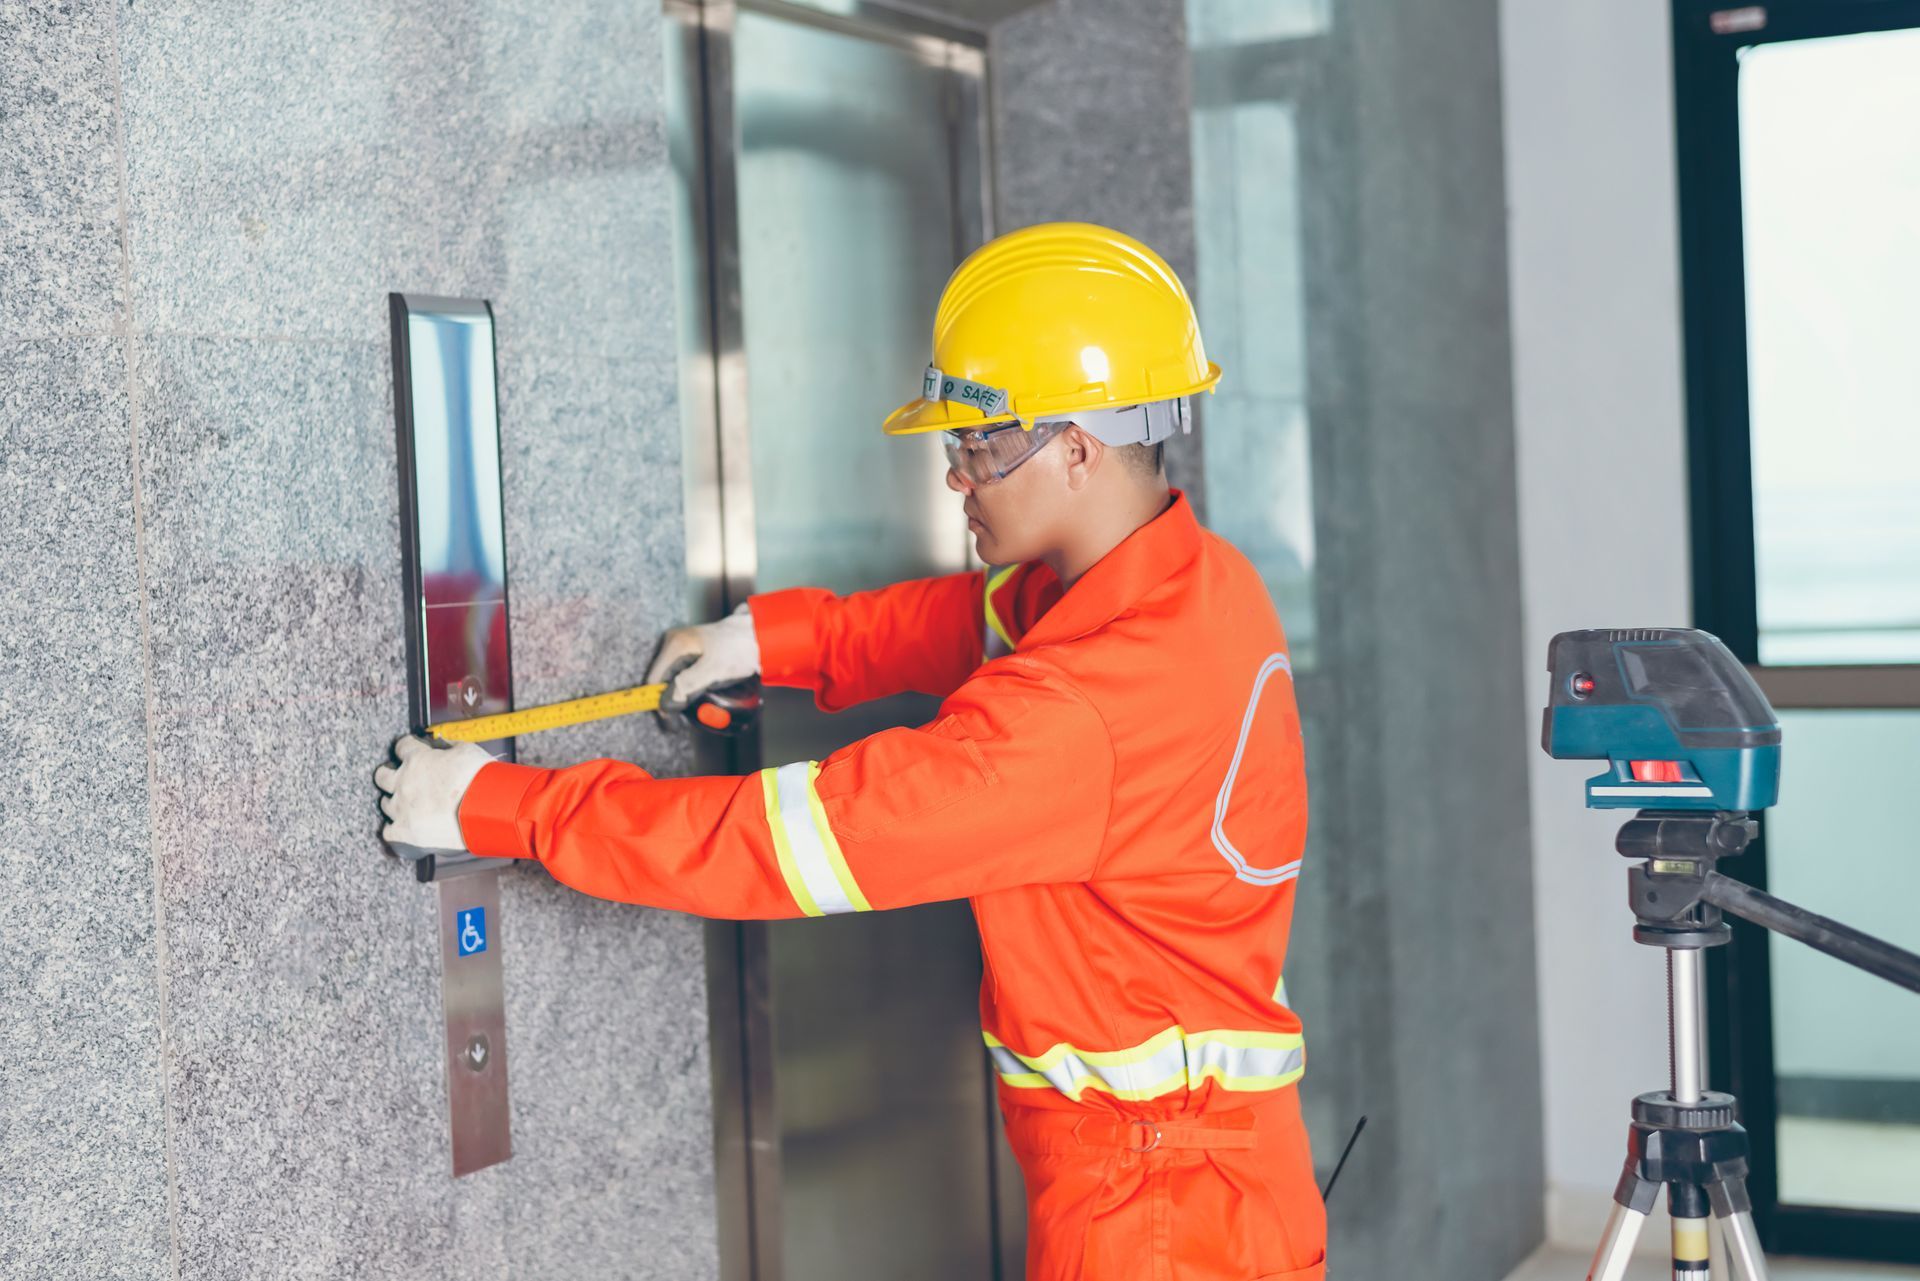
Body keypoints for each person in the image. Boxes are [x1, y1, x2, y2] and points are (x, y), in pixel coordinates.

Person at [375, 222, 1325, 1280]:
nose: (958, 476)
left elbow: (784, 844)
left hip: (1156, 1219)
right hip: (1223, 1177)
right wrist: (771, 642)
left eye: (980, 442)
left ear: (1077, 446)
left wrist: (497, 807)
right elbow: (969, 621)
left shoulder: (1078, 714)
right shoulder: (1192, 584)